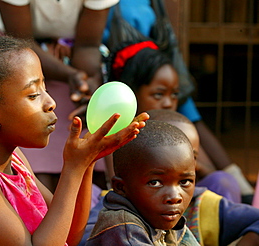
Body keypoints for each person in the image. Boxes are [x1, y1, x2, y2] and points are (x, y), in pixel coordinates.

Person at [0, 36, 149, 245]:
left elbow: (68, 235)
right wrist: (73, 168)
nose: (51, 103)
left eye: (45, 88)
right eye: (33, 95)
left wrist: (87, 162)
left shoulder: (16, 158)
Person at [104, 0, 255, 203]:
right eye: (158, 95)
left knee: (222, 181)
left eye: (174, 95)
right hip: (140, 210)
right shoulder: (120, 134)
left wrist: (191, 164)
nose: (168, 103)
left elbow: (206, 173)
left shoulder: (177, 129)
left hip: (184, 206)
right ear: (132, 93)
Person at [0, 0, 120, 192]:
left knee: (86, 133)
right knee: (35, 170)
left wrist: (85, 85)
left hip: (72, 55)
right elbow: (19, 42)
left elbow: (87, 46)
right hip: (16, 54)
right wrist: (69, 75)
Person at [148, 109, 259, 246]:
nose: (179, 167)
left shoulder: (205, 205)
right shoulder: (123, 220)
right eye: (155, 182)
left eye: (189, 158)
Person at [85, 120, 199, 245]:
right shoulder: (124, 229)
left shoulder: (162, 218)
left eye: (184, 181)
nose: (175, 197)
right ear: (121, 187)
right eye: (155, 183)